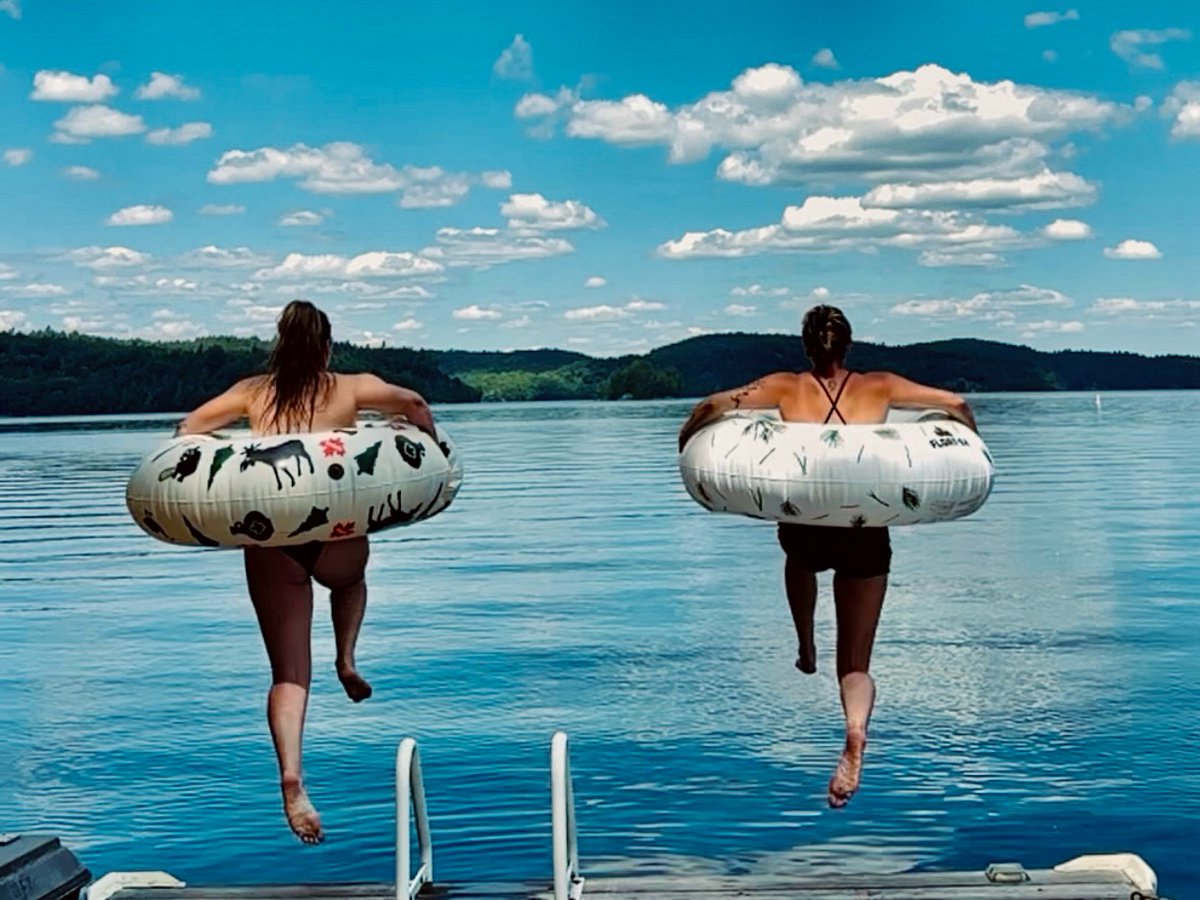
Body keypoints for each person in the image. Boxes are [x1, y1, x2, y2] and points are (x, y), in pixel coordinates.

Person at [677, 305, 977, 809]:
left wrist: (687, 437)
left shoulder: (786, 386)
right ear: (848, 344)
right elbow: (955, 402)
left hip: (806, 527)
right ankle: (855, 731)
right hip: (866, 529)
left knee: (798, 559)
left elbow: (713, 404)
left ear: (806, 345)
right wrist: (970, 437)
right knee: (856, 663)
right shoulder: (879, 385)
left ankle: (805, 646)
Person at [175, 299, 439, 844]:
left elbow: (190, 427)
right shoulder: (349, 386)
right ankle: (346, 656)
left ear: (280, 341)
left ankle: (292, 776)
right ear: (326, 344)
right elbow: (412, 400)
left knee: (289, 675)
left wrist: (230, 454)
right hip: (335, 536)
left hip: (274, 539)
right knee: (351, 580)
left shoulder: (254, 391)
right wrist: (424, 440)